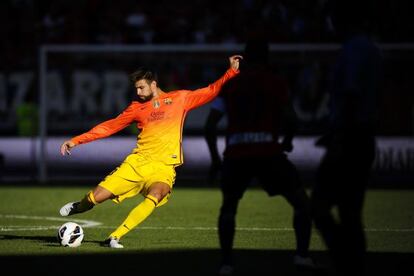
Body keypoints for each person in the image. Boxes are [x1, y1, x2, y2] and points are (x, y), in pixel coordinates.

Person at [59, 55, 242, 248]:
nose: (138, 92)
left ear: (153, 84)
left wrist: (231, 72)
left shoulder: (180, 99)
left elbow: (212, 90)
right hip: (137, 164)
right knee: (95, 198)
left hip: (164, 168)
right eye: (136, 88)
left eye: (141, 87)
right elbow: (109, 127)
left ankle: (114, 237)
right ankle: (78, 207)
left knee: (156, 195)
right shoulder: (136, 108)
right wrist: (76, 140)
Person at [204, 39, 315, 275]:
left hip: (236, 155)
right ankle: (302, 257)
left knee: (228, 208)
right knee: (302, 204)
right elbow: (292, 119)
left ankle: (226, 264)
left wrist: (215, 160)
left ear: (245, 58)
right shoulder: (276, 83)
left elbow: (210, 125)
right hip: (268, 153)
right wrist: (287, 141)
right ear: (267, 58)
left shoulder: (231, 86)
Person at [310, 0, 382, 274]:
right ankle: (353, 264)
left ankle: (344, 262)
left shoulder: (353, 50)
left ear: (342, 21)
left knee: (319, 205)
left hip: (349, 138)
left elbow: (351, 94)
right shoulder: (373, 50)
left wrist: (338, 134)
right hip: (363, 136)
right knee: (351, 212)